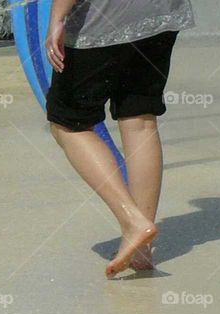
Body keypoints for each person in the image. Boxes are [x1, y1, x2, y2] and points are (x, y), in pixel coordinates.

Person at [44, 0, 195, 278]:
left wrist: (57, 18)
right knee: (140, 120)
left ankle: (132, 222)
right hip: (161, 17)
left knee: (68, 124)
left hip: (102, 22)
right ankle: (141, 249)